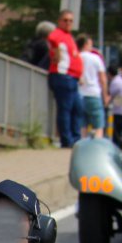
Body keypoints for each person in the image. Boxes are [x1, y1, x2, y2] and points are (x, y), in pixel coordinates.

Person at [47, 10, 83, 147]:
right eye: (65, 20)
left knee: (77, 108)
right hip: (63, 76)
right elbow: (53, 40)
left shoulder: (69, 36)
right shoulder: (58, 35)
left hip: (72, 77)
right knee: (66, 109)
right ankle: (67, 140)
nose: (68, 23)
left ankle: (75, 137)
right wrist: (56, 52)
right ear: (59, 21)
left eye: (71, 20)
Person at [77, 34, 109, 138]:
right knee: (98, 125)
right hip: (93, 94)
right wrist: (105, 96)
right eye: (90, 44)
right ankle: (97, 147)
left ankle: (82, 146)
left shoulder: (76, 57)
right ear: (86, 44)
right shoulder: (96, 58)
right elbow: (103, 80)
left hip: (79, 94)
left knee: (82, 125)